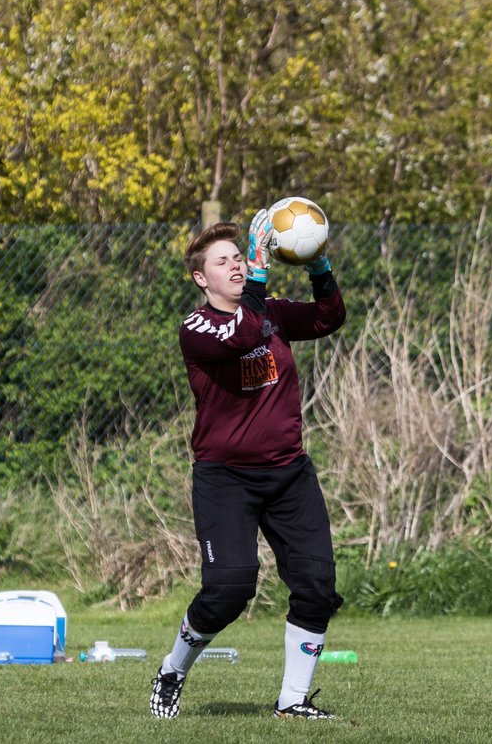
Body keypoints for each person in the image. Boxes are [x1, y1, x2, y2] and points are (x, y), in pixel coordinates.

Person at [150, 209, 346, 720]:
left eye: (241, 256)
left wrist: (318, 264)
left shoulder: (271, 312)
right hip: (225, 479)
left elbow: (329, 319)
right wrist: (259, 277)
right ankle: (174, 668)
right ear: (201, 277)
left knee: (317, 587)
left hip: (289, 475)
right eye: (225, 261)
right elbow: (240, 338)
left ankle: (293, 701)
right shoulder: (197, 328)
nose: (237, 265)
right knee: (229, 589)